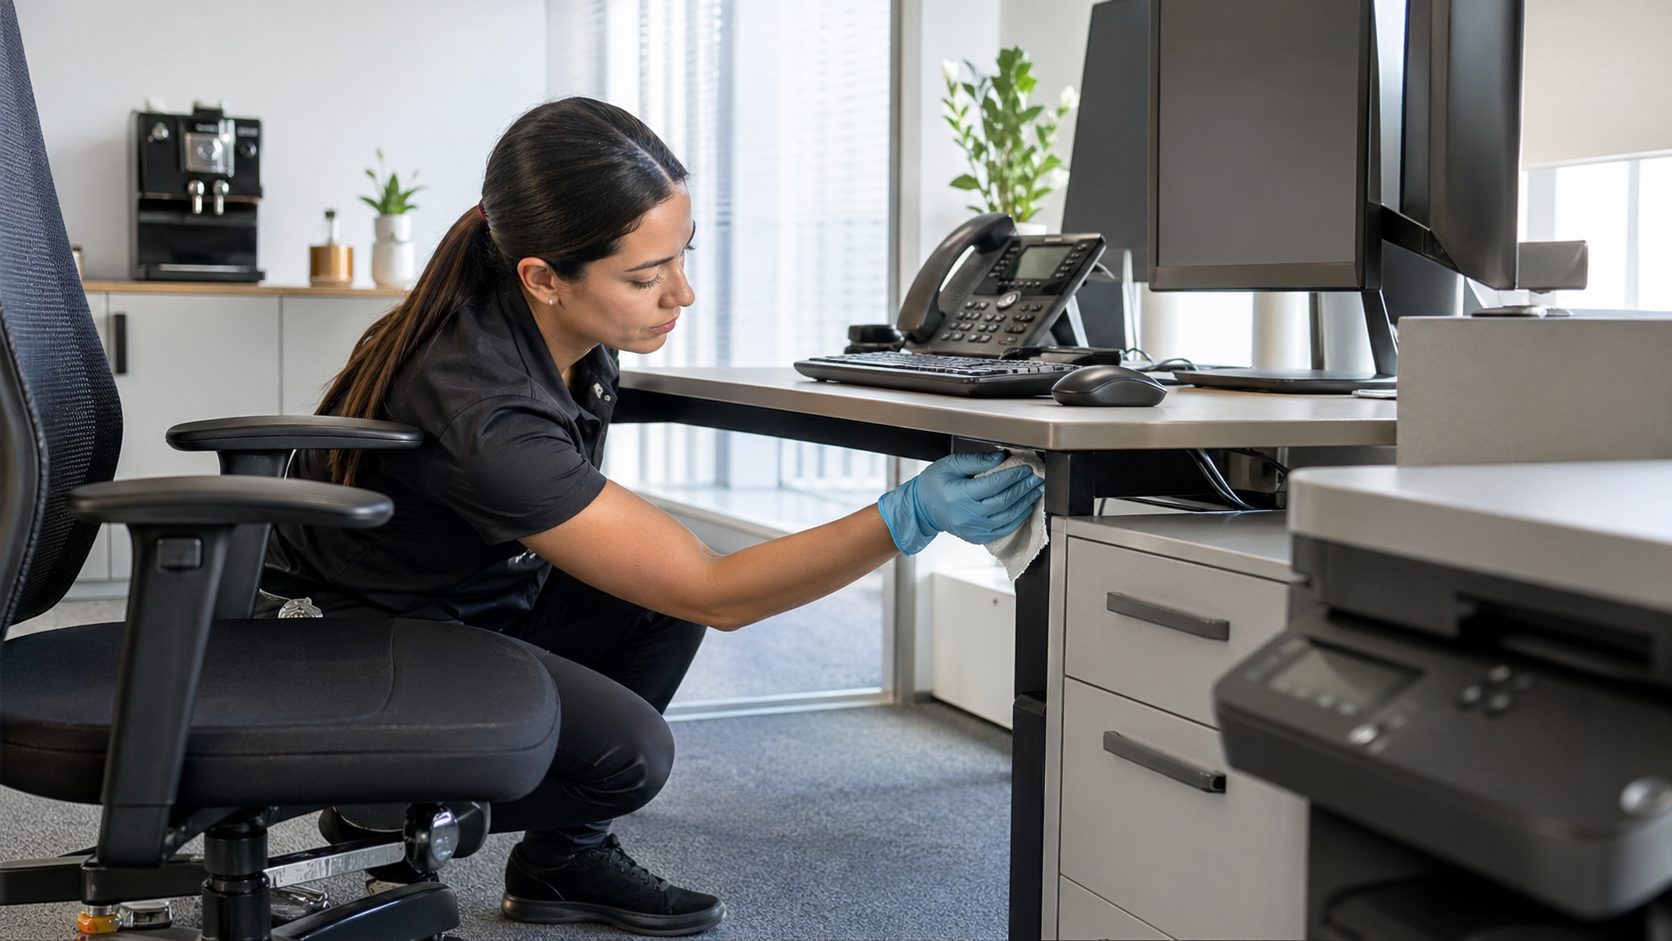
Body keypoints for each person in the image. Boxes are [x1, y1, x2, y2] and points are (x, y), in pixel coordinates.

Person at [261, 97, 1043, 937]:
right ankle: (389, 800)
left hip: (461, 598)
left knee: (651, 595)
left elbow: (678, 579)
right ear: (542, 277)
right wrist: (906, 517)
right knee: (628, 755)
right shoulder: (484, 405)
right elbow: (717, 591)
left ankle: (559, 861)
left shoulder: (560, 334)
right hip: (359, 642)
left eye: (680, 256)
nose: (683, 293)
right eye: (645, 277)